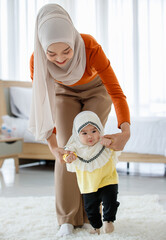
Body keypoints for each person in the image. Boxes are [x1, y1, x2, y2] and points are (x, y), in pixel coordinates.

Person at [29, 3, 130, 237]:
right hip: (63, 92)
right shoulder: (37, 60)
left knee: (90, 144)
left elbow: (115, 91)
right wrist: (53, 146)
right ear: (42, 47)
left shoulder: (89, 45)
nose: (60, 59)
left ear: (73, 40)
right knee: (66, 150)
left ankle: (89, 213)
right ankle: (66, 217)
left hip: (96, 90)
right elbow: (42, 106)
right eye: (51, 54)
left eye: (66, 51)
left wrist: (125, 131)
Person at [63, 111, 121, 235]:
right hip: (88, 185)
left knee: (110, 201)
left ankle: (109, 220)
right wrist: (68, 158)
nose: (90, 136)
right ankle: (96, 227)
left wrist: (110, 143)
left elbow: (117, 146)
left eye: (94, 131)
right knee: (91, 208)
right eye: (84, 133)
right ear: (77, 134)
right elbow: (66, 155)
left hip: (108, 179)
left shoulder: (104, 142)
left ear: (100, 129)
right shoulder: (74, 148)